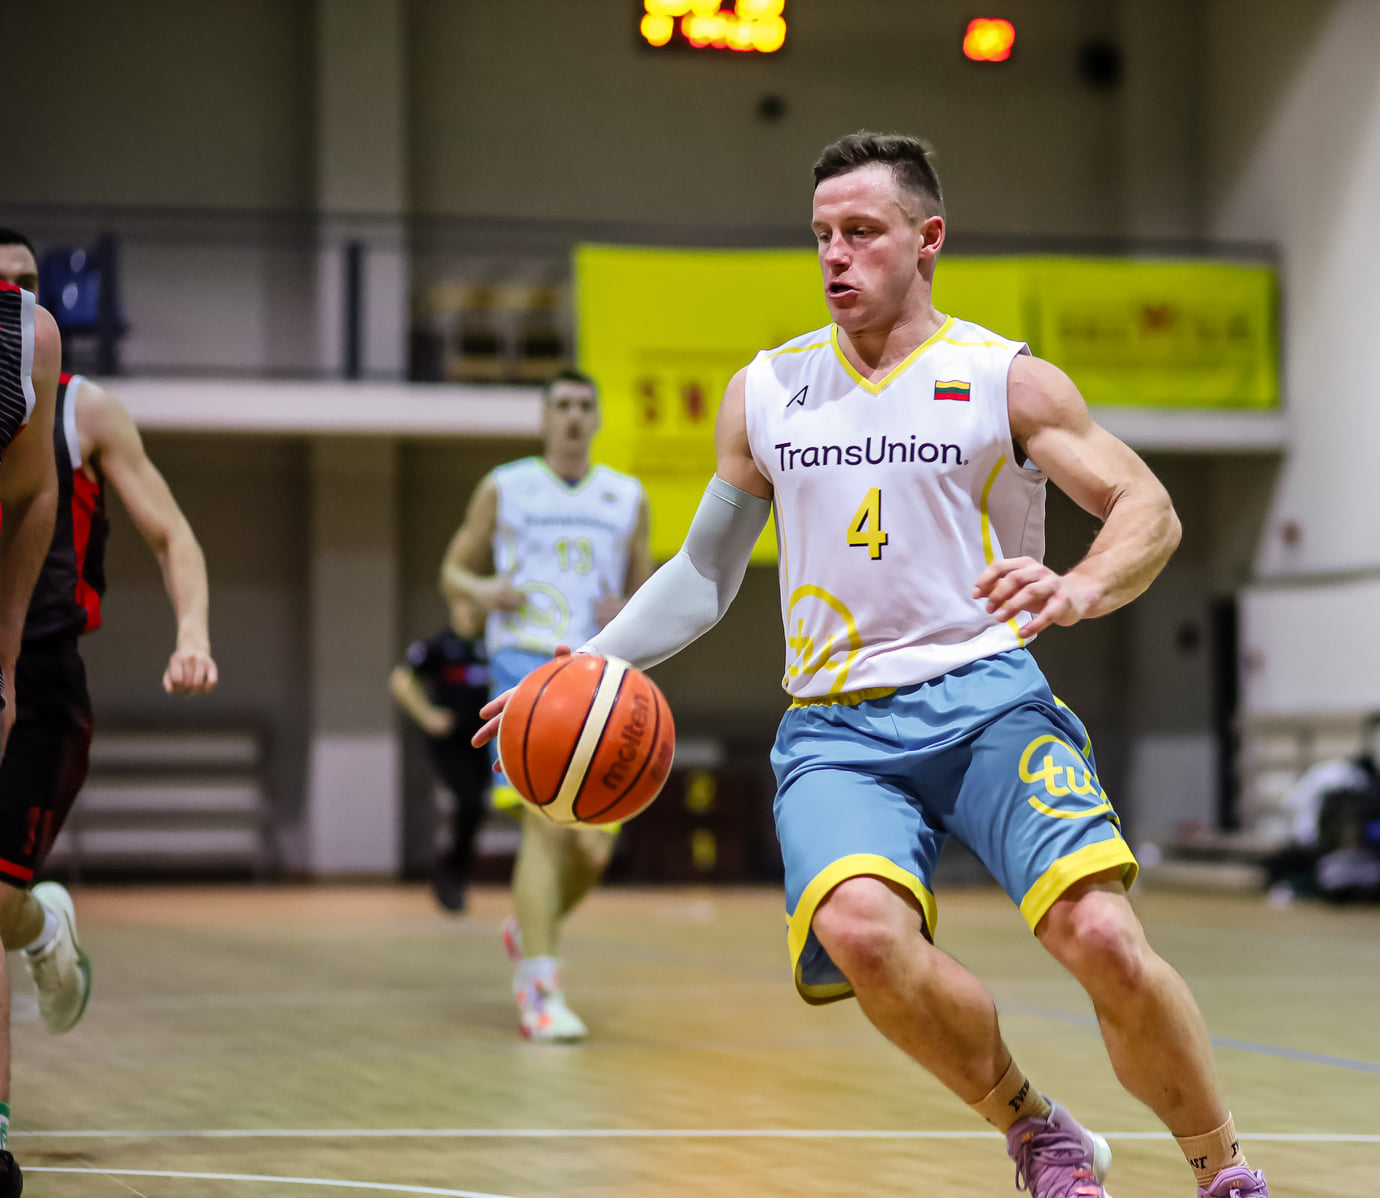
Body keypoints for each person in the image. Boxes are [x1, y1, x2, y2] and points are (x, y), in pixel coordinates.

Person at [476, 132, 1269, 1198]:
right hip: (838, 727)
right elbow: (704, 574)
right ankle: (1037, 1130)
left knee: (1102, 936)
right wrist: (579, 667)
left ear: (927, 238)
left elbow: (1147, 506)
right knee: (859, 931)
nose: (835, 256)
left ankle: (1221, 1168)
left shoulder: (1001, 379)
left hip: (989, 700)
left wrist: (1080, 587)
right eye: (821, 236)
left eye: (861, 232)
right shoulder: (767, 391)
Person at [441, 368, 651, 1042]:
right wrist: (482, 589)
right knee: (547, 828)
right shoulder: (504, 486)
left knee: (592, 853)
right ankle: (539, 991)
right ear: (543, 417)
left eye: (584, 405)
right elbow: (452, 568)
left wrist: (629, 608)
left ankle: (529, 927)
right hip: (524, 668)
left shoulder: (627, 496)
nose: (572, 416)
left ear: (597, 419)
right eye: (561, 405)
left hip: (596, 674)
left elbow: (646, 591)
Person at [0, 268, 63, 1198]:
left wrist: (6, 658)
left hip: (49, 653)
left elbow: (30, 494)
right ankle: (44, 924)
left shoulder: (26, 339)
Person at [391, 595, 491, 913]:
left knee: (477, 808)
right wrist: (427, 716)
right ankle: (451, 876)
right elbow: (401, 680)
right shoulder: (438, 646)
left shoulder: (492, 645)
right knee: (469, 802)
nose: (472, 609)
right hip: (451, 743)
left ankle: (455, 874)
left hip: (485, 742)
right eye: (466, 603)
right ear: (453, 606)